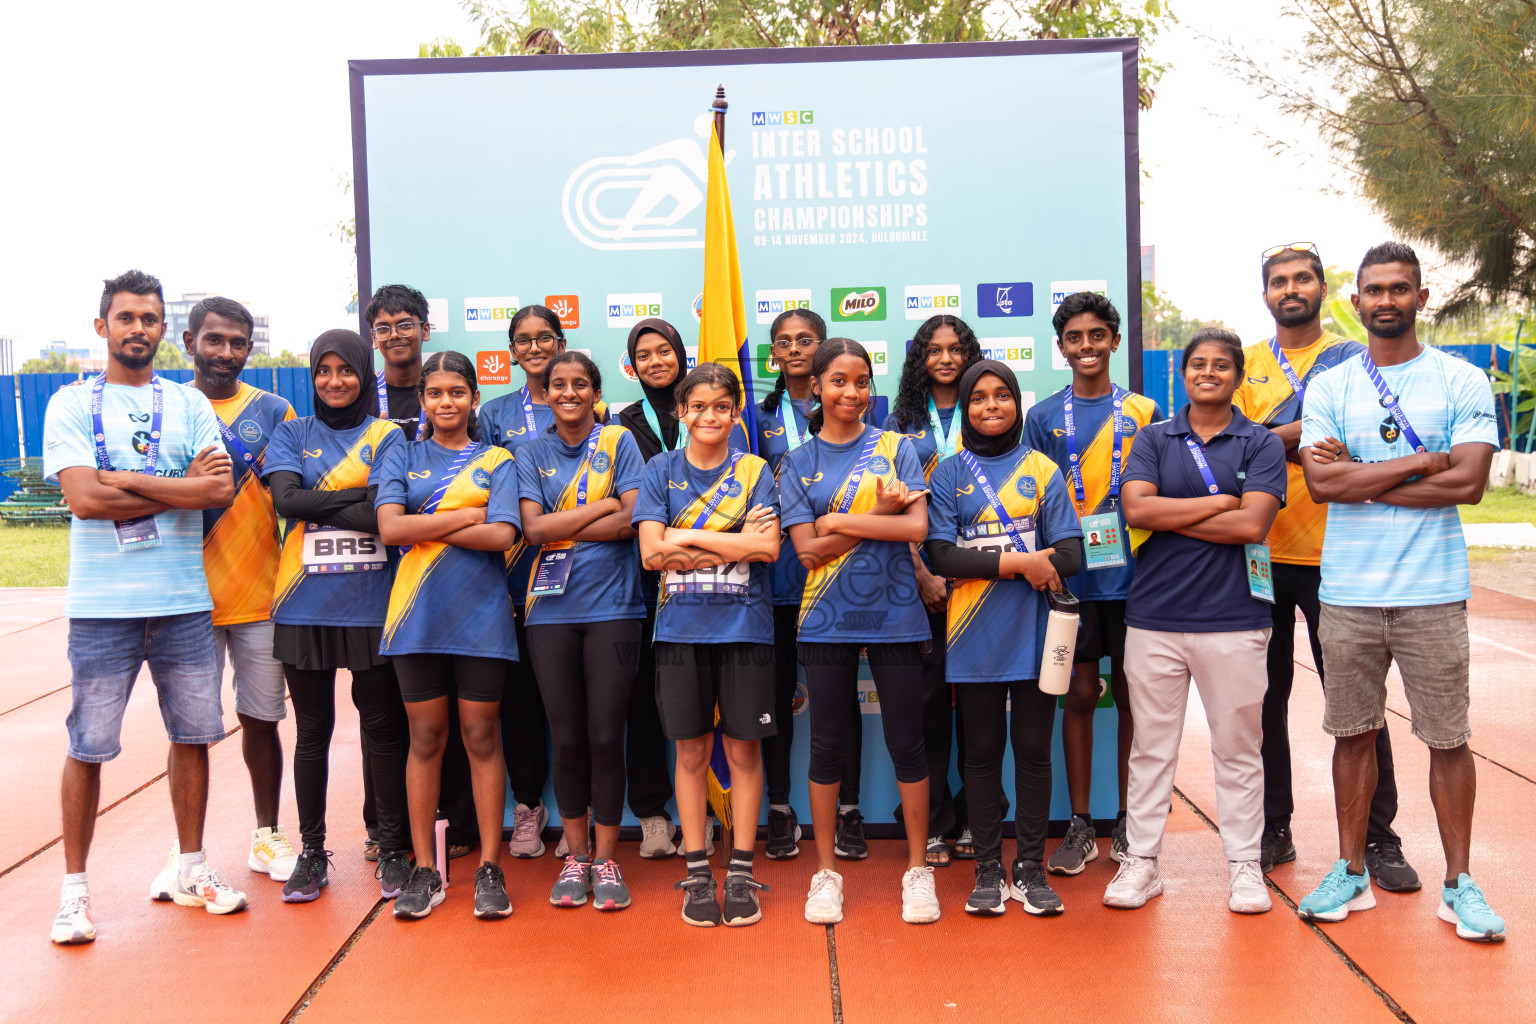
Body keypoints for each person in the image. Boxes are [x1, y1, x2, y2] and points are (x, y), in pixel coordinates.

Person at [1296, 242, 1503, 942]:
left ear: (1421, 296)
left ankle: (1460, 882)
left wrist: (1365, 472)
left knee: (1448, 739)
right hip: (1348, 592)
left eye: (1400, 288)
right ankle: (1351, 871)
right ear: (1355, 301)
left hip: (1432, 592)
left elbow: (1469, 485)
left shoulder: (1460, 380)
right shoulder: (1330, 387)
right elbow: (1323, 486)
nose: (1386, 300)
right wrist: (1419, 462)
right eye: (1374, 289)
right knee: (1352, 736)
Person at [47, 270, 243, 945]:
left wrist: (129, 479)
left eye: (149, 319)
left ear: (165, 330)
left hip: (183, 602)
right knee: (89, 745)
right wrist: (175, 486)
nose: (138, 329)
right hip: (102, 607)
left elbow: (220, 491)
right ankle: (74, 893)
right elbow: (85, 501)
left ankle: (190, 867)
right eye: (125, 318)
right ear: (103, 327)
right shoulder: (71, 405)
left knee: (194, 737)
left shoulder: (189, 404)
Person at [1234, 245, 1412, 884]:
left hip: (1340, 556)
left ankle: (1379, 837)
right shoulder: (1244, 361)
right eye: (1279, 281)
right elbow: (1228, 448)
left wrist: (1266, 443)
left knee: (1358, 700)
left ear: (1323, 287)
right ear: (1265, 295)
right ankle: (1272, 827)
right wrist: (1303, 437)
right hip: (1258, 557)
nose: (1291, 288)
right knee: (1264, 700)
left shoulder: (1354, 359)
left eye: (1302, 277)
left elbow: (1357, 444)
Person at [1104, 328, 1286, 915]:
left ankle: (1244, 866)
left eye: (1221, 366)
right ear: (1182, 375)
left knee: (1238, 749)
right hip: (1154, 617)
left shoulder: (1260, 443)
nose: (1208, 373)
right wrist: (1220, 502)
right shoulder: (1153, 437)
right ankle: (1142, 863)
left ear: (1236, 377)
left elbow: (1251, 528)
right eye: (1197, 365)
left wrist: (1170, 515)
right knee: (1151, 749)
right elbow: (1135, 508)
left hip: (1235, 618)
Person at [779, 338, 939, 926]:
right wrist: (884, 518)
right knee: (826, 744)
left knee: (907, 741)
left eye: (863, 381)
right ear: (816, 387)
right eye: (840, 381)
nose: (853, 392)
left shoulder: (897, 447)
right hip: (826, 617)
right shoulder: (796, 463)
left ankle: (917, 870)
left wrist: (843, 518)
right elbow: (807, 553)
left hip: (896, 612)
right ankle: (826, 873)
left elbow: (918, 524)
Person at [926, 361, 1083, 917]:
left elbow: (1071, 555)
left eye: (1002, 396)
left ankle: (1031, 869)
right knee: (984, 753)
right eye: (979, 399)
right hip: (972, 633)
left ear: (1017, 403)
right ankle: (989, 868)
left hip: (1037, 631)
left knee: (1035, 752)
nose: (991, 407)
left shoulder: (1042, 468)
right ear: (964, 407)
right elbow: (940, 555)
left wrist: (993, 562)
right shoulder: (946, 474)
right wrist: (1022, 562)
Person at [262, 330, 412, 904]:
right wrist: (359, 498)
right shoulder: (292, 432)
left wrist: (320, 500)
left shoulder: (387, 435)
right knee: (312, 732)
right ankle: (311, 850)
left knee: (381, 728)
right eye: (323, 371)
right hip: (302, 605)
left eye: (345, 370)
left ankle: (393, 848)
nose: (334, 381)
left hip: (374, 606)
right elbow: (286, 502)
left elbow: (387, 515)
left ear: (362, 373)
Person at [155, 297, 299, 895]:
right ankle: (187, 854)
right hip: (185, 597)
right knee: (188, 733)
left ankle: (266, 834)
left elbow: (292, 497)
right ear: (189, 342)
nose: (226, 352)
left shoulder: (274, 410)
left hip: (261, 596)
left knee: (261, 721)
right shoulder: (163, 409)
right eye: (213, 340)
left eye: (237, 342)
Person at [375, 351, 521, 920]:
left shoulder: (498, 460)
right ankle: (426, 868)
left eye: (457, 392)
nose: (445, 402)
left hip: (481, 616)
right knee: (426, 738)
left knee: (481, 736)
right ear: (423, 400)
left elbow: (504, 534)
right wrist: (465, 517)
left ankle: (488, 866)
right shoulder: (401, 455)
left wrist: (427, 527)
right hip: (415, 616)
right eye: (435, 393)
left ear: (474, 398)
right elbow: (390, 529)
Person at [635, 363, 782, 926]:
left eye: (722, 405)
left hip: (745, 630)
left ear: (736, 411)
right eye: (698, 406)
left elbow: (768, 550)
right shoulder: (659, 470)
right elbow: (651, 555)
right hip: (679, 632)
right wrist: (733, 541)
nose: (710, 416)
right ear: (681, 412)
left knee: (745, 753)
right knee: (691, 753)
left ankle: (740, 872)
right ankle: (698, 874)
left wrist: (684, 536)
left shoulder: (755, 470)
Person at [1023, 292, 1163, 873]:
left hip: (1138, 577)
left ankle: (1131, 822)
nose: (1087, 346)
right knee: (1078, 695)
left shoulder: (1147, 411)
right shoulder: (1041, 417)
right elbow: (1024, 498)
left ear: (1114, 339)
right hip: (1072, 579)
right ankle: (1080, 824)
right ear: (1061, 347)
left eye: (1097, 335)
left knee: (1135, 698)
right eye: (1075, 338)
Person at [517, 351, 645, 911]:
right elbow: (532, 528)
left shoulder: (620, 442)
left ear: (596, 392)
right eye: (558, 385)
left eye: (580, 384)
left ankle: (608, 858)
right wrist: (603, 507)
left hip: (615, 608)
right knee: (566, 740)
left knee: (604, 737)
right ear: (544, 394)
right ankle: (575, 854)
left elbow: (634, 522)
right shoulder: (530, 451)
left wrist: (565, 524)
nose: (569, 393)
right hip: (549, 611)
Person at [479, 304, 606, 860]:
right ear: (511, 350)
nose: (534, 347)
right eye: (523, 340)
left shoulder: (604, 424)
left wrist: (560, 525)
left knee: (586, 716)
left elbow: (625, 510)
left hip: (592, 585)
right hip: (513, 577)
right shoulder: (494, 414)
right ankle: (527, 806)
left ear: (560, 342)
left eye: (545, 338)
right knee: (524, 705)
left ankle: (594, 827)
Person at [362, 284, 477, 863]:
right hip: (375, 574)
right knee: (385, 710)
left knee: (455, 710)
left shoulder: (454, 400)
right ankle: (385, 829)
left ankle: (455, 822)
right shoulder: (363, 401)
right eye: (382, 328)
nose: (394, 335)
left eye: (404, 324)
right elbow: (380, 515)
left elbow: (500, 520)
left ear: (425, 329)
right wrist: (450, 518)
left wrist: (423, 520)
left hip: (452, 579)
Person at [757, 309, 864, 862]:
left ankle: (849, 810)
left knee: (840, 700)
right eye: (783, 342)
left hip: (840, 578)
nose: (794, 349)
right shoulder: (757, 417)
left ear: (823, 351)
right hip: (777, 579)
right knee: (775, 699)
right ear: (772, 354)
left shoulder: (858, 410)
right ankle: (779, 809)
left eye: (806, 341)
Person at [884, 314, 983, 866]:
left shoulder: (988, 410)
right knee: (927, 708)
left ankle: (975, 817)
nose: (946, 359)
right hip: (918, 583)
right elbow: (893, 507)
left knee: (975, 704)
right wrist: (920, 572)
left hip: (981, 583)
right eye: (934, 349)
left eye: (956, 348)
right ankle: (935, 824)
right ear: (920, 358)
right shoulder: (900, 422)